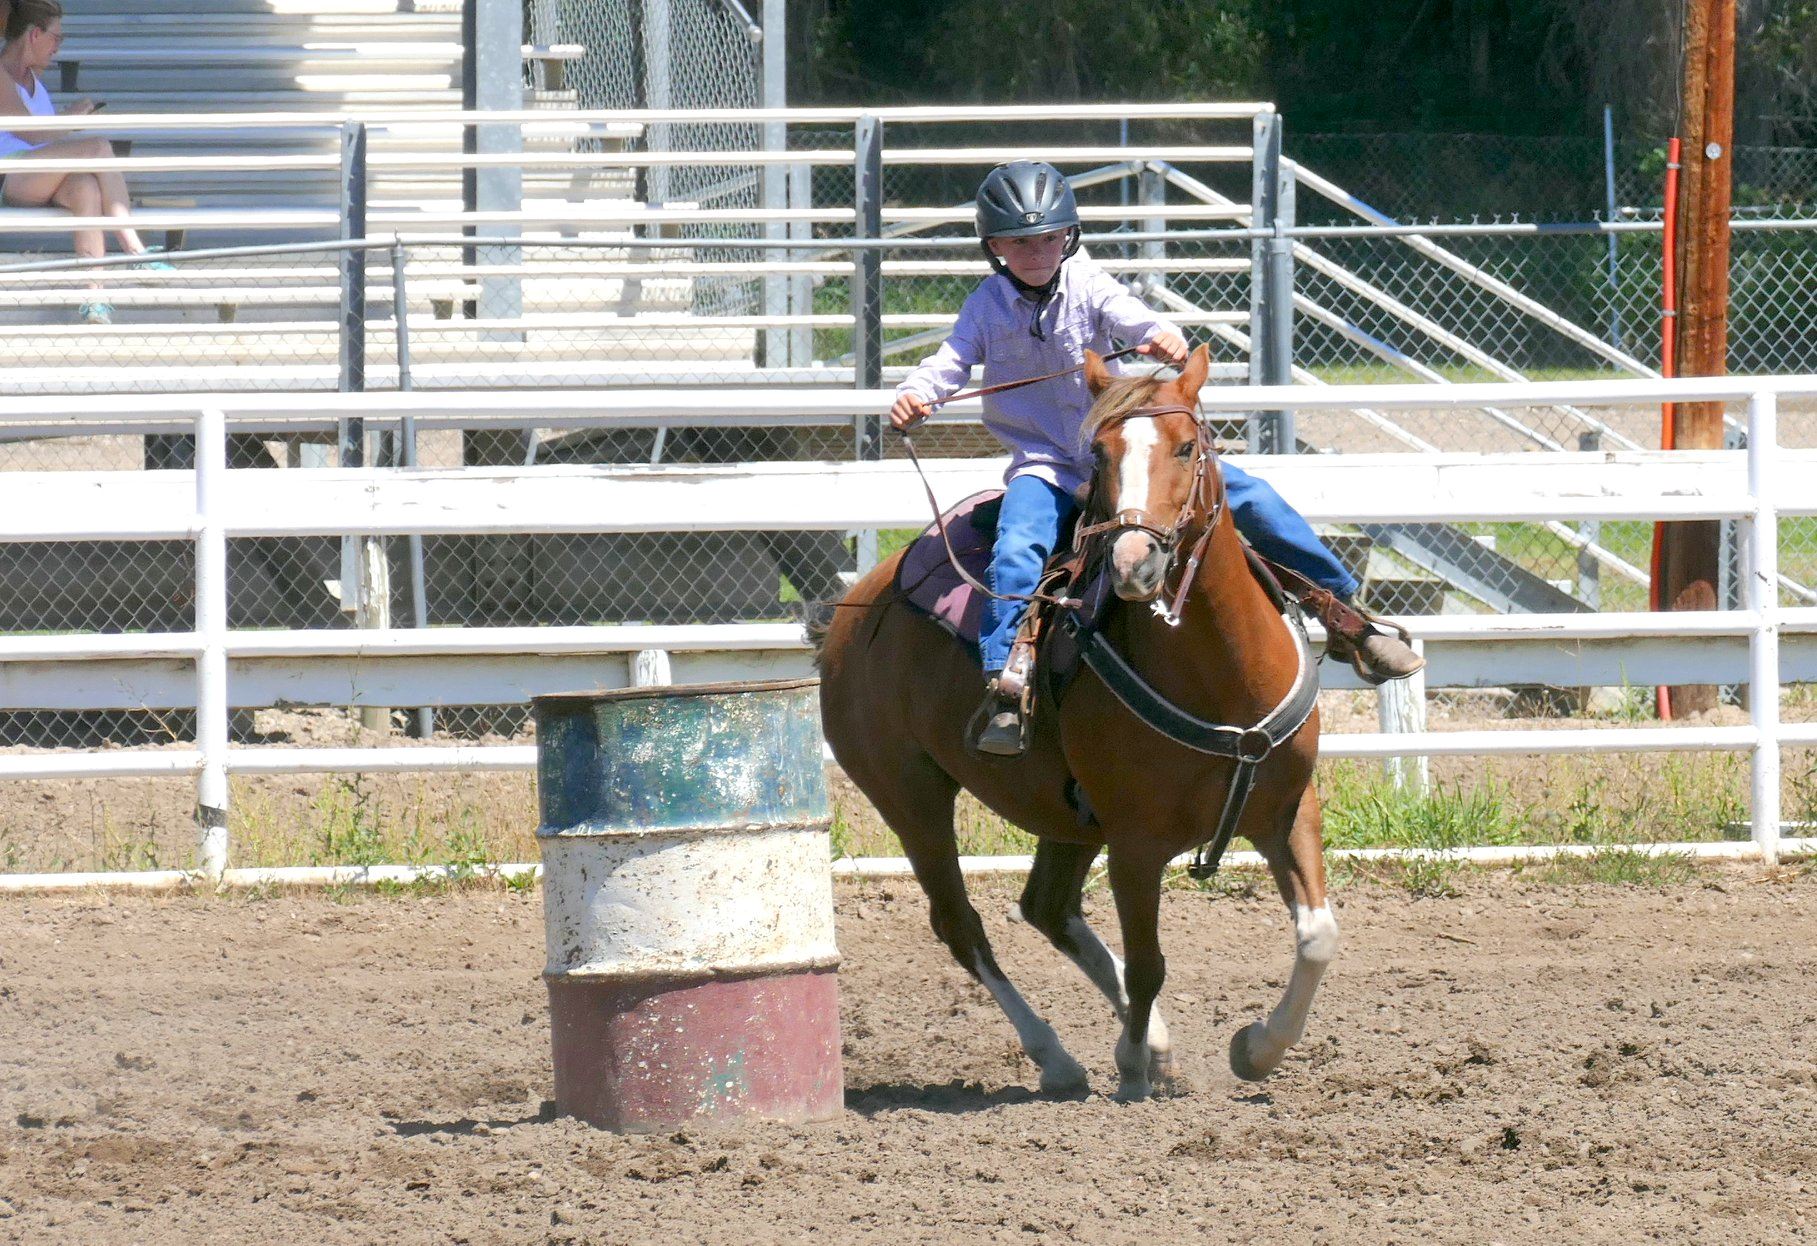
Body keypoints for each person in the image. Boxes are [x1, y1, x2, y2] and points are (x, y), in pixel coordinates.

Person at [891, 160, 1423, 756]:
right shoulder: (984, 306)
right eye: (1021, 241)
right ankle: (1006, 683)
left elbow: (1131, 316)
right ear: (994, 247)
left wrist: (1159, 334)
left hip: (1123, 461)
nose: (1038, 252)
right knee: (1018, 547)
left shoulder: (1089, 283)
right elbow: (951, 359)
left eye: (1049, 238)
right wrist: (919, 393)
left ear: (1069, 237)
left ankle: (1348, 619)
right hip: (1047, 463)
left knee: (1253, 500)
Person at [0, 0, 164, 324]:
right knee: (99, 147)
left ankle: (94, 298)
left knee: (87, 188)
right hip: (13, 173)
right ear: (34, 35)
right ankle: (134, 250)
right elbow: (31, 135)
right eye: (56, 38)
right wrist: (71, 119)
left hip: (42, 172)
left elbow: (45, 140)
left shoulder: (37, 84)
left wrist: (66, 120)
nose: (58, 48)